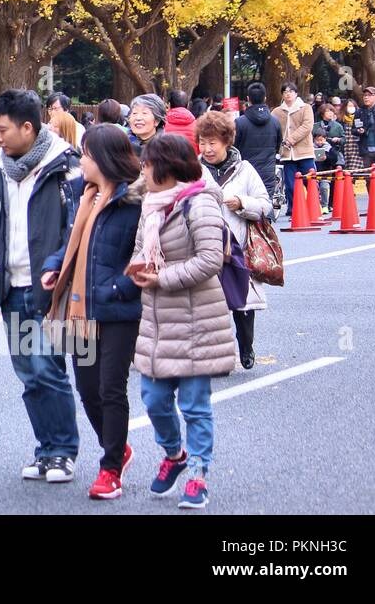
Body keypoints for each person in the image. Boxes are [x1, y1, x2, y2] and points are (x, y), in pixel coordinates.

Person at [0, 89, 81, 483]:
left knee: (48, 369)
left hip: (49, 287)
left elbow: (77, 228)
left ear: (28, 128)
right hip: (9, 286)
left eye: (2, 130)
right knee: (29, 374)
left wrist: (60, 276)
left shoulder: (65, 167)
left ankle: (64, 451)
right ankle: (45, 449)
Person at [129, 133, 237, 510]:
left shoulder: (200, 205)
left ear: (168, 167)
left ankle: (198, 472)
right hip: (157, 321)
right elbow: (142, 249)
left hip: (197, 320)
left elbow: (211, 260)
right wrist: (139, 267)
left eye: (147, 164)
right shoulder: (151, 205)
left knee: (194, 404)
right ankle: (173, 455)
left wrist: (162, 277)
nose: (143, 170)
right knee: (154, 399)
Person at [41, 125, 143, 500]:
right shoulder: (85, 196)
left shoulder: (134, 203)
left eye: (85, 154)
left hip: (118, 310)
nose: (80, 160)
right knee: (87, 389)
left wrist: (118, 288)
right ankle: (118, 447)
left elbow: (144, 258)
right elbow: (70, 243)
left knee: (110, 388)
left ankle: (110, 468)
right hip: (81, 307)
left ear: (102, 159)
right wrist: (55, 266)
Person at [195, 111, 271, 371]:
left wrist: (242, 203)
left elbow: (266, 206)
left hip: (238, 246)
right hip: (204, 247)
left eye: (212, 143)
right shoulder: (193, 169)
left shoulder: (245, 170)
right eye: (202, 142)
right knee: (209, 306)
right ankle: (217, 359)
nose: (207, 149)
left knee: (242, 302)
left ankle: (246, 345)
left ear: (226, 141)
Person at [271, 82, 314, 220]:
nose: (288, 94)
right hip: (286, 154)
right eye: (285, 92)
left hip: (304, 151)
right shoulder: (277, 111)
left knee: (310, 181)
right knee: (290, 184)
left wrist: (291, 139)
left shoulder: (305, 108)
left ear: (296, 93)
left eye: (290, 91)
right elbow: (272, 127)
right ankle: (293, 209)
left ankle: (314, 207)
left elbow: (307, 126)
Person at [233, 82, 282, 197]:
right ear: (265, 98)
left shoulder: (240, 122)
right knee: (266, 204)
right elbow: (277, 146)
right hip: (268, 171)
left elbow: (234, 148)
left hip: (245, 171)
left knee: (247, 206)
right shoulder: (275, 122)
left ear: (248, 99)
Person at [312, 125, 342, 213]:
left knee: (324, 188)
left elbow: (334, 159)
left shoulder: (329, 148)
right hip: (315, 172)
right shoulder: (311, 148)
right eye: (317, 140)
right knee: (314, 189)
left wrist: (326, 157)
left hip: (326, 173)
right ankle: (316, 206)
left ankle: (325, 205)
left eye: (321, 140)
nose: (319, 142)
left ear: (325, 139)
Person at [340, 96, 363, 172]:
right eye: (349, 106)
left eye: (353, 106)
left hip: (356, 147)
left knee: (356, 170)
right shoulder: (340, 119)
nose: (351, 108)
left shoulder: (359, 118)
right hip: (345, 147)